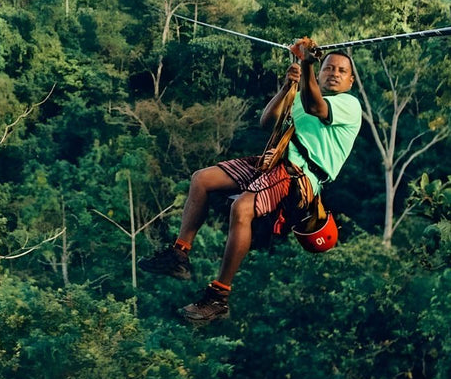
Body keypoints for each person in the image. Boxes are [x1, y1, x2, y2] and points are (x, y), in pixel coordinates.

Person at [138, 37, 362, 323]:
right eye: (328, 68)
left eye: (341, 71)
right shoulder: (303, 96)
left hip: (298, 176)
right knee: (202, 180)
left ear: (350, 81)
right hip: (272, 162)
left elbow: (317, 107)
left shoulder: (348, 105)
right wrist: (286, 88)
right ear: (319, 73)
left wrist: (306, 65)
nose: (334, 73)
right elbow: (267, 122)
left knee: (241, 208)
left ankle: (218, 297)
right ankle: (179, 255)